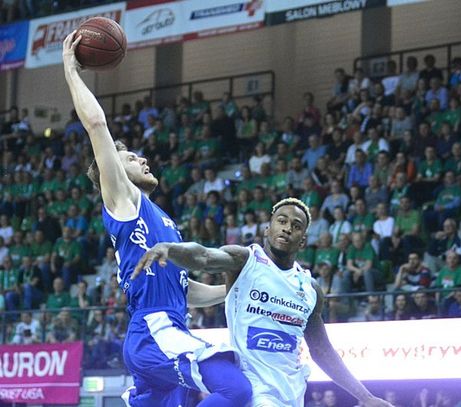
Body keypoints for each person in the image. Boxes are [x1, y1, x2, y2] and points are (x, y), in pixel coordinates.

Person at [62, 32, 251, 407]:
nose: (143, 159)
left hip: (166, 329)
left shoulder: (161, 219)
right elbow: (97, 125)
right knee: (237, 389)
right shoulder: (123, 199)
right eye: (131, 159)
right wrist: (71, 69)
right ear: (114, 171)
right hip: (154, 330)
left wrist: (234, 289)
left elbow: (185, 289)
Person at [133, 198, 392, 407]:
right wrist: (171, 249)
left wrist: (366, 397)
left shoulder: (310, 288)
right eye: (282, 221)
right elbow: (203, 257)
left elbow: (322, 351)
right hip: (255, 389)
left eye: (296, 225)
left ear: (303, 240)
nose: (287, 228)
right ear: (268, 229)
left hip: (292, 392)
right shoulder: (245, 261)